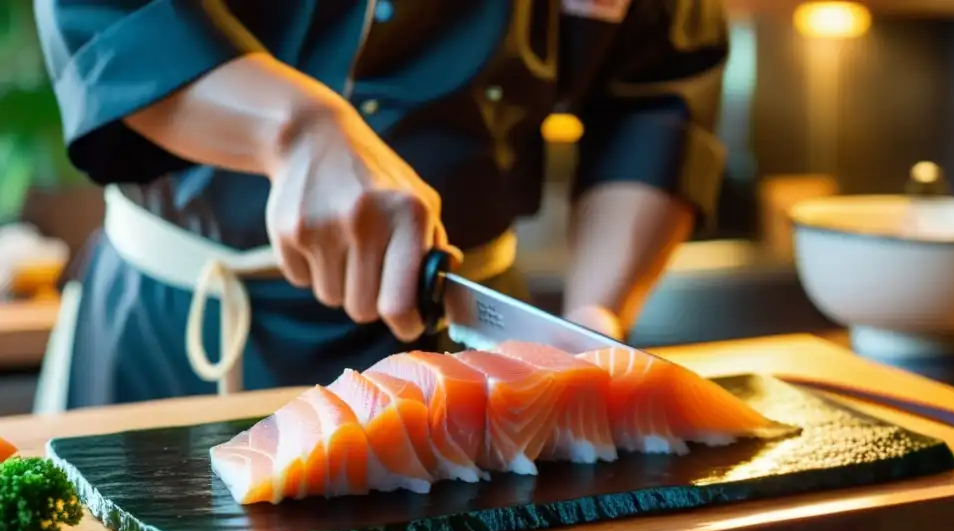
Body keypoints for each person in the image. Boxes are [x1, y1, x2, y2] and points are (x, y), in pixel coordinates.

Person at [32, 0, 729, 412]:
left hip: (472, 350)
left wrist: (590, 321)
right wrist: (298, 131)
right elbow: (112, 24)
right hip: (168, 334)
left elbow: (657, 96)